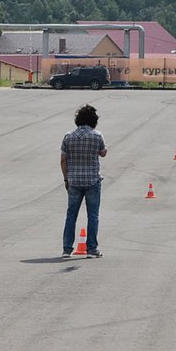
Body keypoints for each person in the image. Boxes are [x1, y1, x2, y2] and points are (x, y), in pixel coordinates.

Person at [60, 104, 107, 259]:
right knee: (93, 215)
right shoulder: (97, 136)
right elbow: (103, 153)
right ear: (94, 120)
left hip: (74, 181)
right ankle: (92, 249)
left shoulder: (68, 136)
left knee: (71, 215)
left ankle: (67, 249)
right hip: (93, 180)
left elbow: (63, 160)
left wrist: (66, 178)